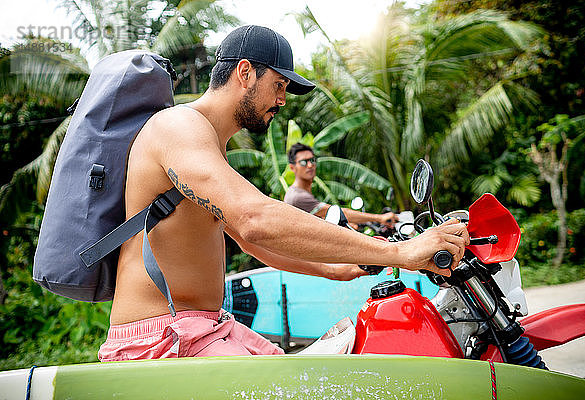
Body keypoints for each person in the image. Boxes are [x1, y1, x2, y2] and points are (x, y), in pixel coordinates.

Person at [98, 25, 469, 362]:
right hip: (161, 337)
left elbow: (249, 241)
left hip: (205, 327)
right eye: (279, 85)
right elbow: (254, 219)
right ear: (245, 73)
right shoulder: (178, 127)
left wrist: (331, 269)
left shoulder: (209, 144)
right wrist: (399, 252)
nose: (283, 100)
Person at [284, 143, 398, 227]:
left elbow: (317, 222)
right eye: (304, 162)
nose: (310, 165)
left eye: (312, 160)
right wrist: (380, 218)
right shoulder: (297, 197)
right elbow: (338, 212)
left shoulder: (300, 193)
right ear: (292, 167)